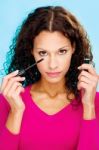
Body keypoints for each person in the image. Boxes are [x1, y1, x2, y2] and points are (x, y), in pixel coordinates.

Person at [0, 6, 99, 150]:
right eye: (43, 53)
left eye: (62, 51)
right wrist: (16, 112)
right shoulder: (9, 101)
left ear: (74, 48)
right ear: (31, 51)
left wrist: (89, 107)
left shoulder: (94, 102)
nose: (52, 65)